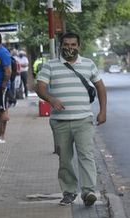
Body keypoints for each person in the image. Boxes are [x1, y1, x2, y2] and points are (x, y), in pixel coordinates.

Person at [36, 32, 107, 207]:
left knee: (86, 155)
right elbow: (40, 87)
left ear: (79, 46)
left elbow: (100, 87)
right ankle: (69, 192)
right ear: (60, 46)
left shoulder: (89, 64)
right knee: (65, 158)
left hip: (83, 119)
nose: (70, 48)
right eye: (66, 44)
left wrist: (103, 111)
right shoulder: (50, 65)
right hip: (60, 122)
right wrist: (51, 99)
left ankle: (89, 191)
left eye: (73, 45)